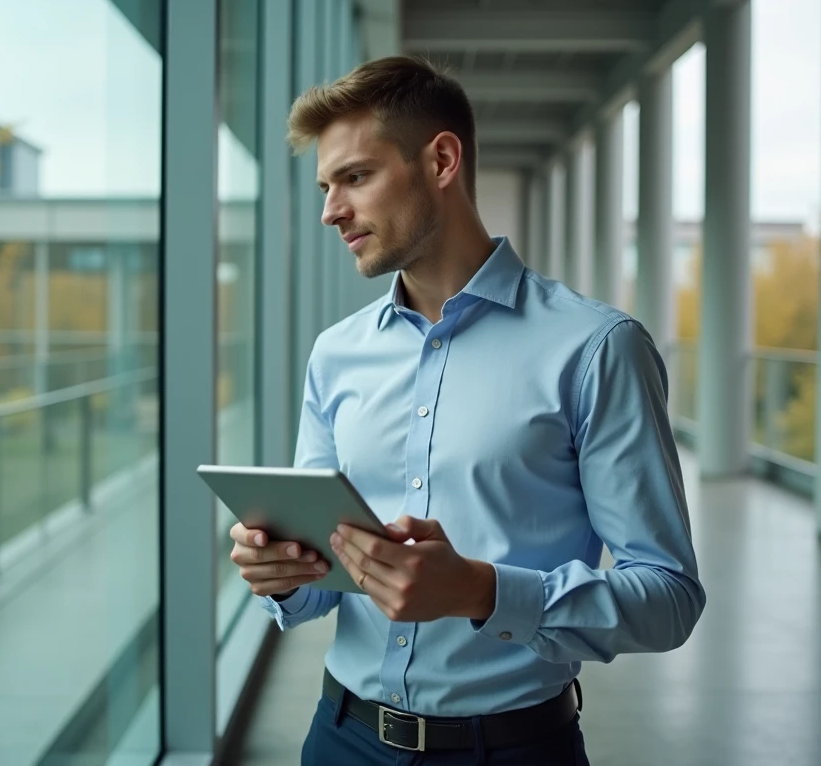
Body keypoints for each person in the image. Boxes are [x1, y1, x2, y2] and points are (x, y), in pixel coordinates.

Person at [228, 55, 705, 766]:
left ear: (442, 160)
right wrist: (283, 576)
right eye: (327, 186)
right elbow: (327, 572)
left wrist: (483, 590)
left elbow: (667, 598)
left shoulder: (597, 349)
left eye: (355, 178)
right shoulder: (335, 355)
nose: (330, 210)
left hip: (512, 750)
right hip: (339, 738)